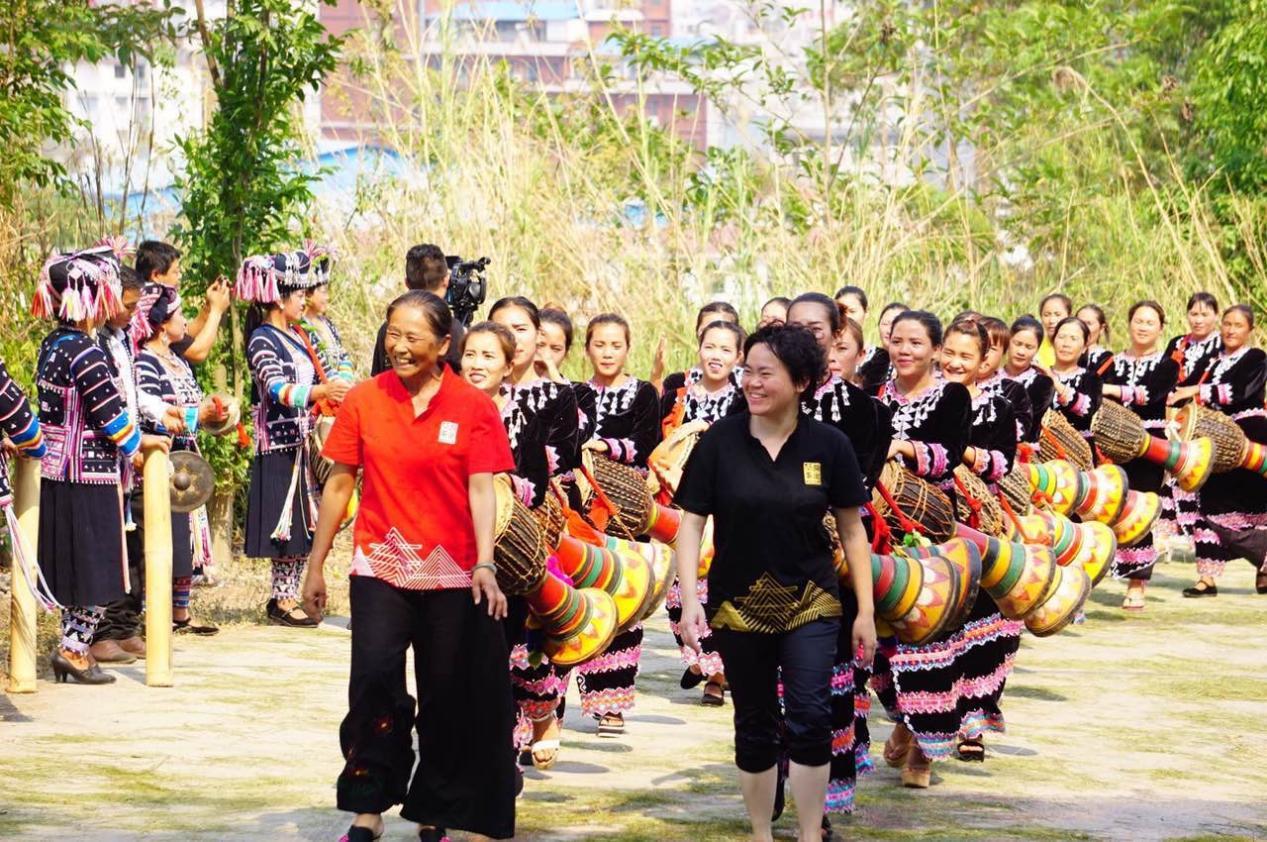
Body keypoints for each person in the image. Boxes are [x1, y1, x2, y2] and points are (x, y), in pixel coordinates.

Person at [303, 289, 517, 842]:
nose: (399, 346)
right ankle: (368, 805)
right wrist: (316, 562)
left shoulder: (474, 407)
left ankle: (436, 806)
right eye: (392, 334)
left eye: (413, 337)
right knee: (373, 682)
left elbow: (481, 488)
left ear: (445, 345)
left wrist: (486, 563)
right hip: (381, 566)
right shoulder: (365, 400)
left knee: (446, 692)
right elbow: (341, 483)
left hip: (453, 572)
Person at [673, 324, 876, 842]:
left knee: (811, 716)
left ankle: (810, 833)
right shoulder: (720, 440)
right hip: (737, 603)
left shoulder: (829, 446)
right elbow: (691, 523)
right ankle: (761, 833)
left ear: (802, 381)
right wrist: (691, 601)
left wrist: (868, 614)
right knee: (754, 721)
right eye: (749, 372)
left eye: (766, 373)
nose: (752, 384)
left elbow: (853, 531)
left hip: (812, 600)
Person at [31, 244, 166, 685]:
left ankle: (73, 647)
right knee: (95, 564)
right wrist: (142, 448)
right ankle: (74, 650)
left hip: (56, 471)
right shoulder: (85, 352)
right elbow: (111, 418)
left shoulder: (53, 345)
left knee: (73, 563)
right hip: (88, 475)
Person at [787, 293, 891, 820]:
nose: (806, 336)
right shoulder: (756, 398)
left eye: (816, 328)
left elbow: (858, 493)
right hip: (765, 564)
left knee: (824, 686)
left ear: (835, 334)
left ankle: (820, 806)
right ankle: (775, 775)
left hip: (834, 567)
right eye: (795, 327)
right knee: (770, 686)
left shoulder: (868, 412)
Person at [873, 310, 972, 788]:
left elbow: (949, 455)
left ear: (935, 349)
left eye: (915, 342)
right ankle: (903, 719)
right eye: (898, 341)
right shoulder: (875, 395)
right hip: (877, 527)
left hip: (929, 527)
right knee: (881, 642)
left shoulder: (952, 396)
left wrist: (904, 449)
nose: (905, 349)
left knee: (926, 636)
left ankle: (926, 750)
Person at [238, 246, 352, 627]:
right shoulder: (262, 339)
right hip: (280, 442)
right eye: (300, 294)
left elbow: (323, 373)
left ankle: (288, 595)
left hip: (305, 442)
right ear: (280, 297)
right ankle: (281, 598)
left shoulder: (300, 335)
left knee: (307, 524)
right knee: (286, 526)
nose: (305, 300)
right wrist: (321, 393)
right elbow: (275, 388)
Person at [489, 296, 581, 766]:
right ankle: (495, 730)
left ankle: (543, 709)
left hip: (537, 521)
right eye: (501, 326)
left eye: (522, 328)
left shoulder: (555, 394)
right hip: (475, 525)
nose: (512, 335)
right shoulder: (472, 390)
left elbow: (568, 457)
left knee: (532, 629)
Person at [937, 318, 1024, 762]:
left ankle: (973, 719)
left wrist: (959, 450)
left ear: (984, 360)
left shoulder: (999, 407)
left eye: (965, 356)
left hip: (980, 523)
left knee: (988, 625)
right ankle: (921, 725)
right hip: (920, 525)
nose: (955, 362)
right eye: (948, 352)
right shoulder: (918, 397)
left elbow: (1002, 464)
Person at [573, 314, 663, 733]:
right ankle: (589, 694)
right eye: (599, 345)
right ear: (587, 348)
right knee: (585, 597)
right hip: (582, 510)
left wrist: (604, 446)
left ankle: (614, 702)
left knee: (626, 600)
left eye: (616, 345)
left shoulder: (643, 393)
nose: (607, 352)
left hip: (626, 510)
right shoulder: (574, 393)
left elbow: (646, 445)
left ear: (628, 350)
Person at [90, 266, 182, 663]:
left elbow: (129, 397)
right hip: (98, 456)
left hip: (123, 459)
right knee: (106, 547)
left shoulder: (123, 339)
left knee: (133, 547)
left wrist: (162, 410)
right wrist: (136, 439)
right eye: (127, 306)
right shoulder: (91, 342)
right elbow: (103, 406)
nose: (132, 313)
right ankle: (97, 633)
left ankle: (125, 626)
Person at [661, 320, 747, 706]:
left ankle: (715, 674)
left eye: (726, 349)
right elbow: (658, 443)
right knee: (678, 596)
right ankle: (700, 661)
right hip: (679, 502)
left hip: (727, 506)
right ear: (699, 347)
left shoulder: (744, 398)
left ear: (738, 356)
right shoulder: (678, 393)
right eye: (710, 347)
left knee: (717, 592)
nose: (717, 356)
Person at [134, 283, 227, 635]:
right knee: (165, 537)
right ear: (160, 324)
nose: (186, 322)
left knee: (187, 536)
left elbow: (196, 409)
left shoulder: (178, 361)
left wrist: (215, 417)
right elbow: (151, 411)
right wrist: (194, 416)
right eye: (179, 316)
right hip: (162, 457)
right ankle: (152, 613)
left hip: (188, 457)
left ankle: (180, 613)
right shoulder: (144, 361)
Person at [1169, 305, 1267, 598]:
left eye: (1238, 325)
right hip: (1214, 439)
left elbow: (1243, 390)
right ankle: (1207, 578)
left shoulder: (1256, 358)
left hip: (1251, 434)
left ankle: (1264, 568)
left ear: (1250, 329)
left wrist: (1196, 393)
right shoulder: (1211, 363)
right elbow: (1182, 389)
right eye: (1226, 323)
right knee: (1209, 506)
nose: (1230, 330)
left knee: (1258, 504)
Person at [1101, 301, 1178, 610]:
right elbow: (1094, 391)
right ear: (1129, 324)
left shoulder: (1168, 365)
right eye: (1138, 320)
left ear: (1160, 328)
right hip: (1111, 445)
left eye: (1150, 322)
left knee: (1140, 509)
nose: (1143, 326)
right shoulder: (1112, 363)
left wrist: (1112, 390)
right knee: (1109, 507)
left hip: (1149, 446)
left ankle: (1137, 581)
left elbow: (1150, 395)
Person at [1162, 292, 1224, 542]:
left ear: (1216, 316)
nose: (1198, 320)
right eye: (1194, 314)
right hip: (1177, 415)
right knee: (1175, 467)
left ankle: (1205, 528)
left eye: (1205, 314)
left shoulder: (1223, 345)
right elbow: (1165, 376)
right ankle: (1174, 527)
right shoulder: (1177, 343)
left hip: (1211, 416)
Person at [134, 240, 231, 365]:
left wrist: (208, 307)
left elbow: (184, 333)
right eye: (175, 272)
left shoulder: (163, 302)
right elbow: (197, 352)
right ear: (156, 275)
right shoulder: (151, 310)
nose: (179, 277)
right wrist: (216, 311)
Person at [371, 244, 463, 374]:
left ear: (407, 283)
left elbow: (377, 378)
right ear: (446, 281)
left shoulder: (389, 327)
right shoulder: (452, 327)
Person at [655, 301, 741, 395]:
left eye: (721, 327)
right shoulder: (677, 383)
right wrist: (656, 375)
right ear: (697, 332)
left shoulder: (745, 385)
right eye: (705, 330)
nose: (713, 334)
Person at [976, 316, 1033, 447]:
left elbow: (1020, 431)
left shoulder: (1013, 390)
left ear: (1004, 353)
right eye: (980, 345)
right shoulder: (951, 382)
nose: (984, 353)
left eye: (992, 348)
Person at [1046, 316, 1102, 444]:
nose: (1066, 344)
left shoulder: (1091, 379)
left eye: (1073, 339)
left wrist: (1055, 383)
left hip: (1080, 454)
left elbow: (1088, 410)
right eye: (1061, 337)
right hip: (1043, 455)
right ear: (1053, 341)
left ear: (1084, 347)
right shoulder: (1039, 376)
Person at [1003, 316, 1055, 444]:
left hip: (1023, 449)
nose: (1021, 351)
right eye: (1017, 344)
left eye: (1029, 347)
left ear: (1037, 349)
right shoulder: (991, 375)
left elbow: (1029, 422)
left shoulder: (1042, 384)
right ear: (1008, 341)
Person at [302, 275, 354, 382]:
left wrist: (345, 380)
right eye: (323, 292)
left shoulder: (327, 323)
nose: (327, 297)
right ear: (308, 293)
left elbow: (343, 355)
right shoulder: (300, 327)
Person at [1036, 292, 1072, 369]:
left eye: (1057, 314)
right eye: (1046, 315)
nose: (1052, 320)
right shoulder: (1035, 346)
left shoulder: (1077, 347)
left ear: (1069, 316)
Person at [1077, 304, 1114, 376]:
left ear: (1102, 328)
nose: (1083, 327)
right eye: (1080, 323)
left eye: (1089, 323)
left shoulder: (1106, 360)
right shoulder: (1061, 352)